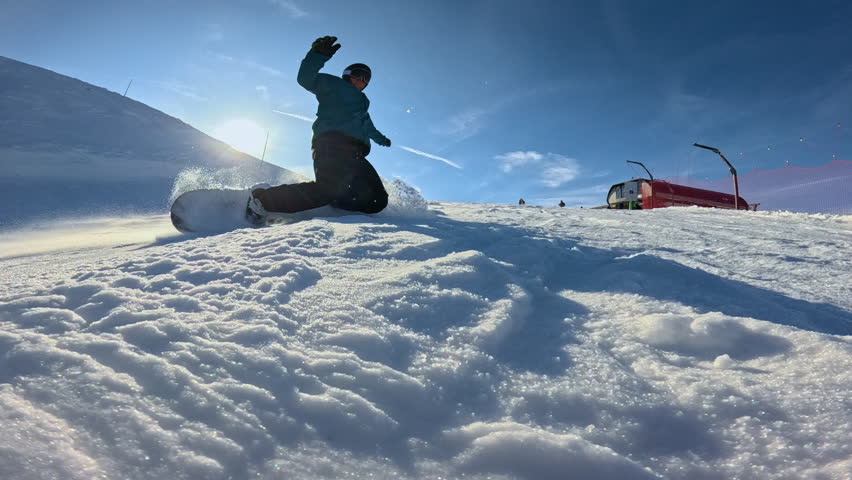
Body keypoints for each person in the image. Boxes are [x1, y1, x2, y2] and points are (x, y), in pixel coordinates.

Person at [247, 36, 391, 223]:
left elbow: (368, 126)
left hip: (356, 154)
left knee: (377, 201)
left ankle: (334, 203)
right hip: (332, 144)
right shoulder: (334, 85)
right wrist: (317, 55)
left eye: (366, 79)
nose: (362, 80)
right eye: (358, 74)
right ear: (348, 74)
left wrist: (381, 139)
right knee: (328, 188)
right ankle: (262, 200)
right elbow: (306, 78)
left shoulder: (363, 104)